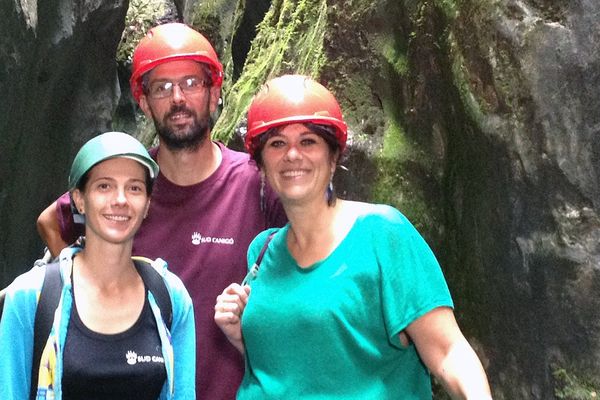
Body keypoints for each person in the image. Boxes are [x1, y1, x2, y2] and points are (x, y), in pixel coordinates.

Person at [35, 23, 287, 399]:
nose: (178, 99)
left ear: (215, 92)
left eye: (191, 83)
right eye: (162, 88)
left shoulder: (256, 184)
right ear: (143, 101)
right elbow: (51, 223)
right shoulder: (129, 190)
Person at [214, 74, 493, 399]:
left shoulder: (382, 233)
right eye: (277, 144)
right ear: (261, 163)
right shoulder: (262, 253)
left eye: (308, 141)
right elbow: (295, 370)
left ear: (333, 158)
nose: (292, 155)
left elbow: (448, 352)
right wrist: (241, 338)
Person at [0, 131, 195, 399]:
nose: (121, 200)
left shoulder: (169, 296)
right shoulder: (31, 297)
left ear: (148, 203)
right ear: (79, 199)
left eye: (134, 187)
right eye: (104, 186)